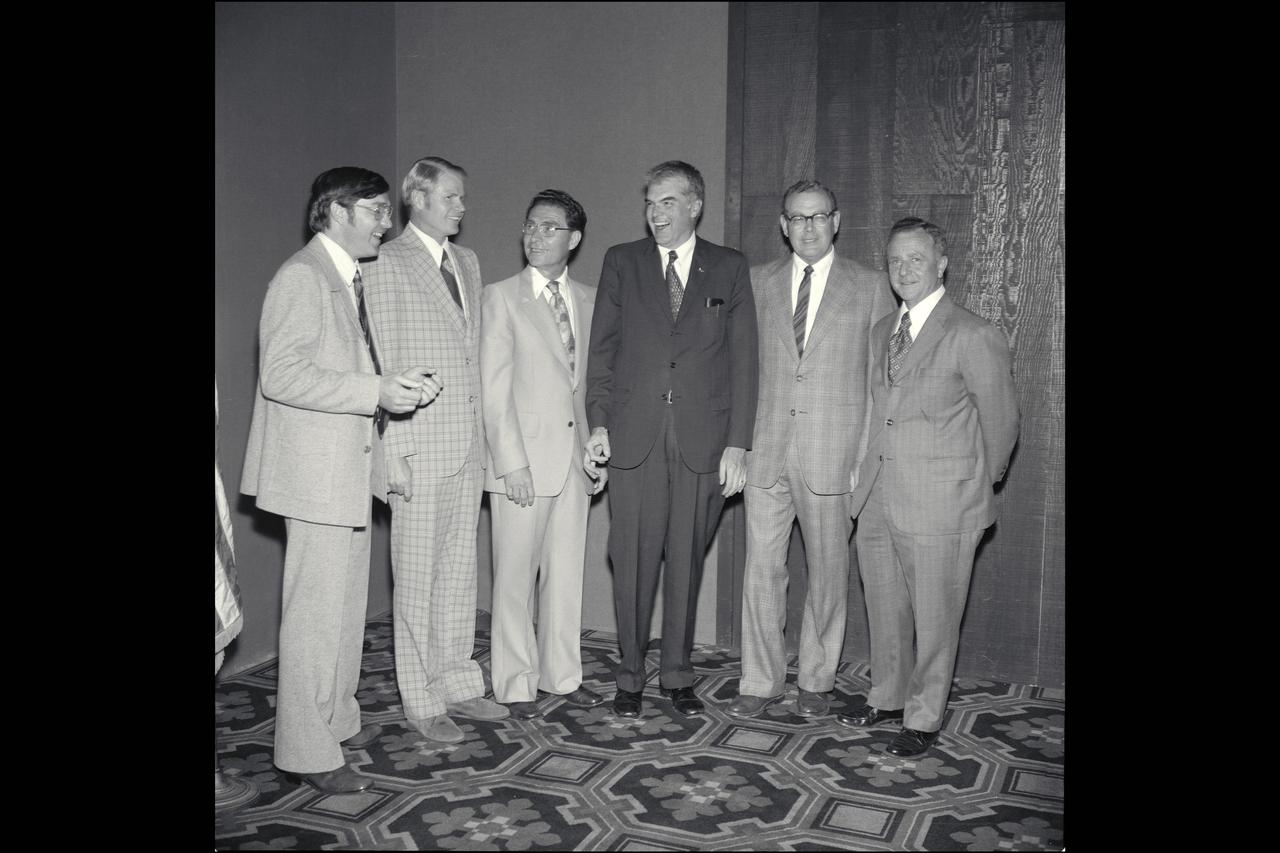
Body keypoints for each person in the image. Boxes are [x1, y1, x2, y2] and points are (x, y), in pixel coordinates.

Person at [240, 167, 436, 793]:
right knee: (314, 617)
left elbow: (343, 375)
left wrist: (388, 400)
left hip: (345, 475)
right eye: (377, 210)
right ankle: (303, 750)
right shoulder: (301, 278)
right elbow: (282, 375)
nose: (387, 221)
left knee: (345, 612)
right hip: (314, 479)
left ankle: (334, 721)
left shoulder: (346, 278)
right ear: (337, 211)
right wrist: (375, 388)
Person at [835, 217, 1019, 757]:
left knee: (937, 618)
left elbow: (1002, 422)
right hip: (876, 499)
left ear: (942, 264)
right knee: (886, 608)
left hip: (943, 505)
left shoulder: (974, 333)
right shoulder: (880, 332)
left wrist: (967, 490)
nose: (904, 269)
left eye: (916, 258)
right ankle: (888, 697)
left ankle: (924, 715)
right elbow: (878, 414)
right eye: (894, 259)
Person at [585, 160, 758, 719]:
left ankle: (679, 675)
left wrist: (738, 443)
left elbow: (744, 361)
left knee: (686, 559)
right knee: (631, 560)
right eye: (650, 203)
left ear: (695, 206)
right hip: (634, 438)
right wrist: (598, 423)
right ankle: (631, 676)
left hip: (701, 442)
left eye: (667, 202)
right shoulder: (623, 262)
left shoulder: (729, 268)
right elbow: (602, 353)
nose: (655, 213)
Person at [727, 180, 894, 720]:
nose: (808, 227)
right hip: (766, 450)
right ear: (782, 225)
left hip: (834, 454)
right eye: (797, 219)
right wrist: (739, 444)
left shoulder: (870, 287)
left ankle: (817, 680)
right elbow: (741, 370)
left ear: (837, 221)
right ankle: (761, 679)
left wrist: (864, 455)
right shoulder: (756, 282)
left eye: (818, 217)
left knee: (827, 572)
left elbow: (881, 379)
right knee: (762, 570)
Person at [363, 156, 509, 745]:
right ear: (416, 197)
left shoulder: (467, 262)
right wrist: (390, 448)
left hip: (464, 447)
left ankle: (458, 683)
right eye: (451, 197)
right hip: (417, 447)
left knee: (456, 575)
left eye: (462, 198)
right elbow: (381, 358)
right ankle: (421, 699)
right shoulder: (385, 261)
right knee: (417, 579)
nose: (461, 208)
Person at [481, 189, 606, 720]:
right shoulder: (501, 297)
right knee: (513, 580)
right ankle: (514, 684)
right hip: (522, 467)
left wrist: (593, 451)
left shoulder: (592, 300)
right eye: (531, 226)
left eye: (550, 228)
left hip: (574, 464)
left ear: (574, 239)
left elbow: (590, 386)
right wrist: (512, 464)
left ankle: (562, 675)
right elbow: (493, 388)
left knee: (565, 576)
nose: (536, 236)